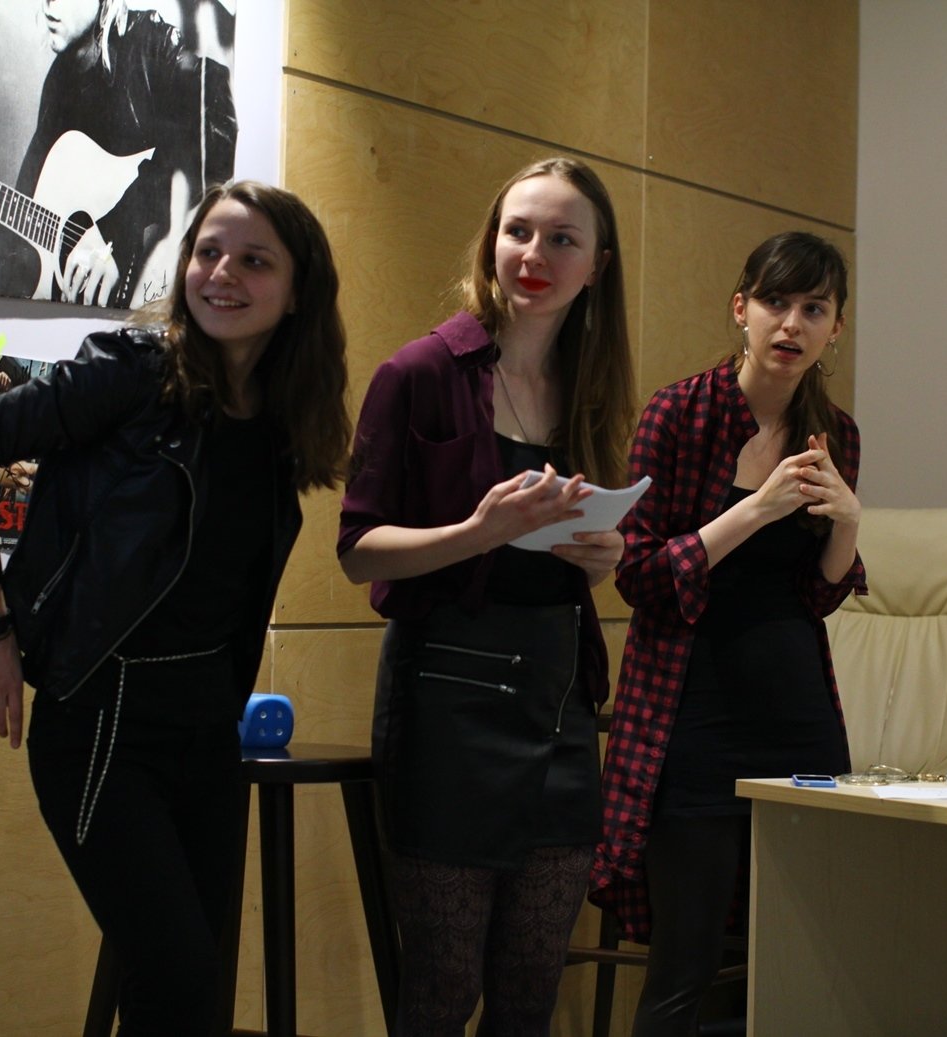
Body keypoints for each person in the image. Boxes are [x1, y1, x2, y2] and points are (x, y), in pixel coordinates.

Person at [0, 180, 349, 1035]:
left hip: (207, 725)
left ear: (297, 291)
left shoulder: (281, 421)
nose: (221, 273)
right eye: (208, 252)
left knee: (187, 991)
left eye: (253, 260)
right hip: (103, 721)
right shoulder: (133, 372)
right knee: (178, 972)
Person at [337, 156, 635, 1035]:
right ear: (491, 243)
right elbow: (356, 550)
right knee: (441, 990)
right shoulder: (419, 372)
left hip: (557, 705)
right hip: (446, 708)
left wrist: (602, 553)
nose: (534, 254)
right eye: (518, 231)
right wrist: (478, 530)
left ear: (597, 266)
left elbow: (570, 552)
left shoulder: (589, 386)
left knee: (529, 991)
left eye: (561, 238)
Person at [589, 231, 866, 1036]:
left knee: (811, 958)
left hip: (798, 714)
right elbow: (639, 574)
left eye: (813, 308)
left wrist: (848, 523)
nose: (791, 324)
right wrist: (756, 510)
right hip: (690, 716)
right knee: (685, 967)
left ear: (835, 328)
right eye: (775, 302)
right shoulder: (679, 413)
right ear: (740, 308)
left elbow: (817, 593)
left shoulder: (834, 432)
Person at [0, 0, 236, 306]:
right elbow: (40, 235)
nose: (48, 7)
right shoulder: (60, 80)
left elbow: (221, 128)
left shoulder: (148, 44)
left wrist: (117, 229)